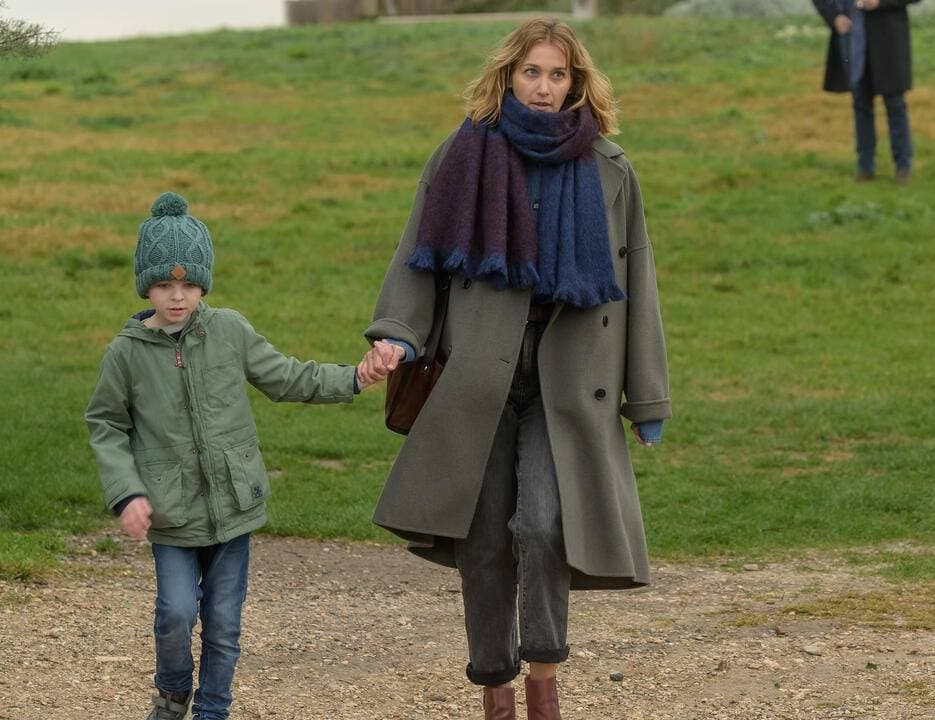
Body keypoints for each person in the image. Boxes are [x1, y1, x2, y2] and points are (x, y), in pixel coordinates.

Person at [357, 17, 671, 720]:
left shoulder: (610, 168)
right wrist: (397, 336)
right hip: (478, 372)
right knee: (483, 537)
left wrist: (647, 397)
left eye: (558, 74)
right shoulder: (461, 154)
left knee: (542, 525)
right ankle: (496, 690)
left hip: (569, 381)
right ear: (507, 75)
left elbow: (640, 284)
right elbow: (418, 257)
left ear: (576, 82)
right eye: (532, 72)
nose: (544, 86)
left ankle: (543, 685)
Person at [85, 192, 374, 720]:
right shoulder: (124, 354)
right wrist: (127, 493)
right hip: (171, 515)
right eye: (164, 285)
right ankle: (173, 692)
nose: (177, 296)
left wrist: (353, 378)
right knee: (175, 614)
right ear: (146, 286)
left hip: (233, 508)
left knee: (223, 622)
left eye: (189, 285)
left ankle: (213, 710)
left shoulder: (230, 331)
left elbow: (287, 377)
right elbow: (106, 425)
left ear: (204, 284)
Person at [813, 0, 921, 183]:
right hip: (852, 41)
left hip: (889, 41)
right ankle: (865, 167)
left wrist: (880, 3)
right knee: (861, 104)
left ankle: (903, 167)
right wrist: (834, 17)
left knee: (895, 104)